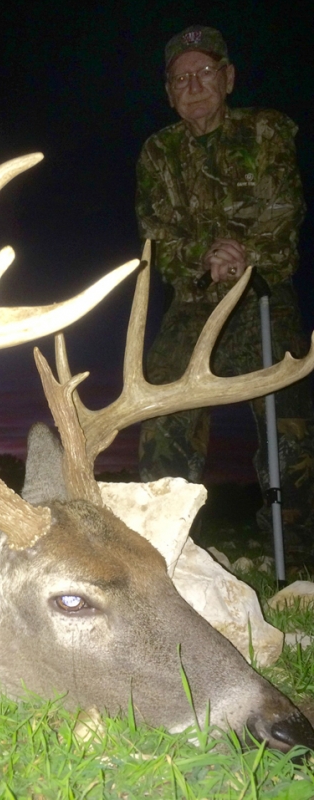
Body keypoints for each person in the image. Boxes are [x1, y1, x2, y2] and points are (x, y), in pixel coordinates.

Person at [135, 25, 314, 555]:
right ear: (169, 92)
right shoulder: (158, 151)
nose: (193, 85)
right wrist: (207, 257)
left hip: (262, 291)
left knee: (291, 420)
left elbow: (285, 210)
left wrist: (244, 254)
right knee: (160, 406)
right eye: (180, 78)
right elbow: (155, 233)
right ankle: (164, 548)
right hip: (194, 301)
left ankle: (298, 551)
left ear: (228, 78)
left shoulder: (267, 130)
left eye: (205, 72)